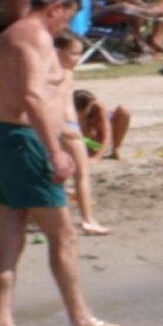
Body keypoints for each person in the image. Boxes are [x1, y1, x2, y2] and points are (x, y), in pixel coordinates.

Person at [0, 0, 124, 326]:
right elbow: (31, 95)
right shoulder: (36, 37)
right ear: (55, 8)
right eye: (69, 18)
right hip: (25, 142)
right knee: (63, 236)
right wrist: (55, 150)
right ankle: (82, 321)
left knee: (10, 238)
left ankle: (3, 325)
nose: (67, 28)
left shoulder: (6, 36)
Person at [53, 32, 110, 236]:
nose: (77, 58)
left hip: (63, 125)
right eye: (74, 53)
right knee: (82, 173)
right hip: (66, 126)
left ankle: (51, 208)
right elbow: (55, 103)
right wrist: (65, 128)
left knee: (56, 173)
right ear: (58, 52)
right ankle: (88, 219)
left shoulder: (56, 72)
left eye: (79, 53)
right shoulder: (62, 74)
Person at [74, 89, 131, 161]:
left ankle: (116, 149)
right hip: (88, 142)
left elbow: (107, 135)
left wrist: (96, 158)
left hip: (98, 140)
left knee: (124, 110)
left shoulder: (98, 107)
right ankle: (91, 149)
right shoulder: (69, 110)